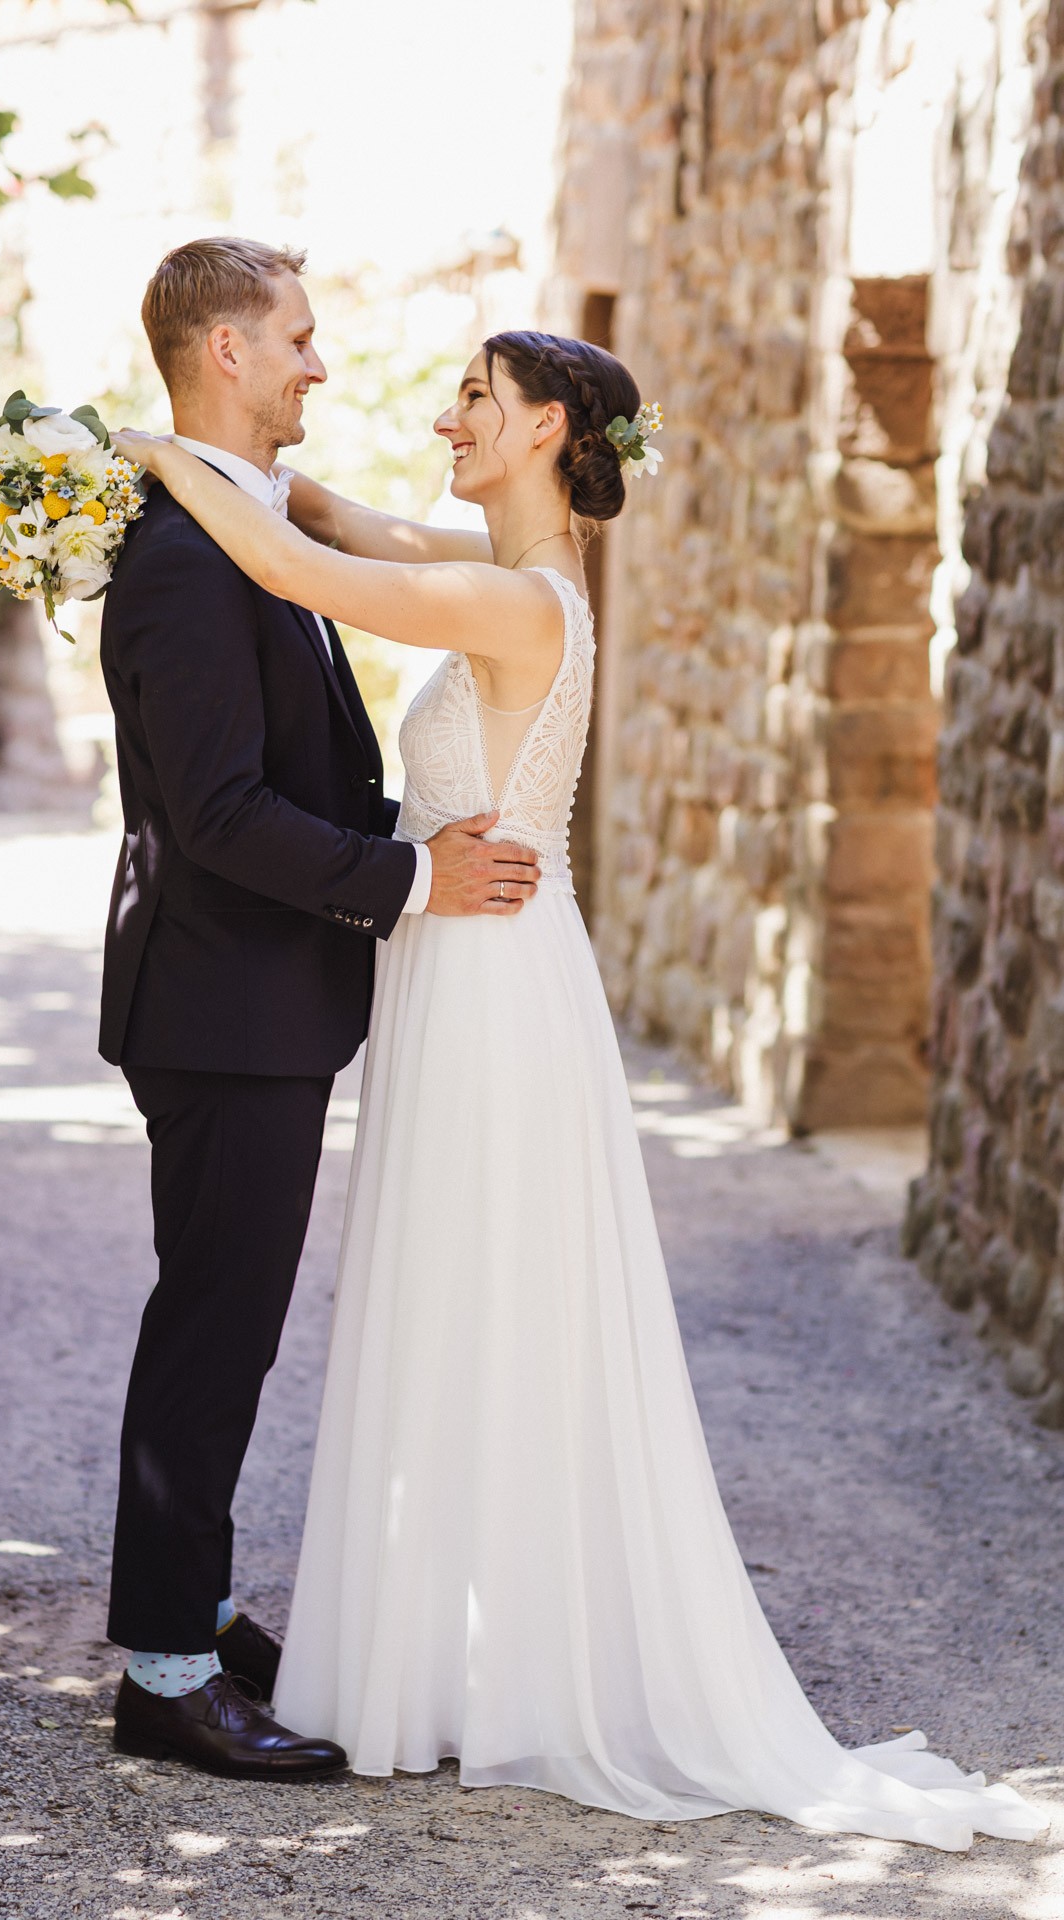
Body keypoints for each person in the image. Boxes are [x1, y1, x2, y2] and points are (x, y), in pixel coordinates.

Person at [116, 319, 1047, 1850]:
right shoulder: (510, 570)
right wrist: (240, 471)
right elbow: (332, 524)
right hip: (473, 968)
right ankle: (426, 1648)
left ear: (549, 426)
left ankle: (486, 1662)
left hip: (488, 986)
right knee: (449, 1290)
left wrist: (150, 455)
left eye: (475, 398)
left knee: (475, 1293)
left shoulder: (504, 598)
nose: (445, 416)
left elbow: (301, 575)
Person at [99, 236, 541, 1780]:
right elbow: (216, 812)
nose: (317, 363)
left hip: (255, 1002)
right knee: (213, 1326)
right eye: (295, 337)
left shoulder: (240, 529)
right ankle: (163, 1673)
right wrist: (413, 879)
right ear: (223, 352)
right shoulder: (178, 561)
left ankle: (200, 1613)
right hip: (219, 1007)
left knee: (231, 1319)